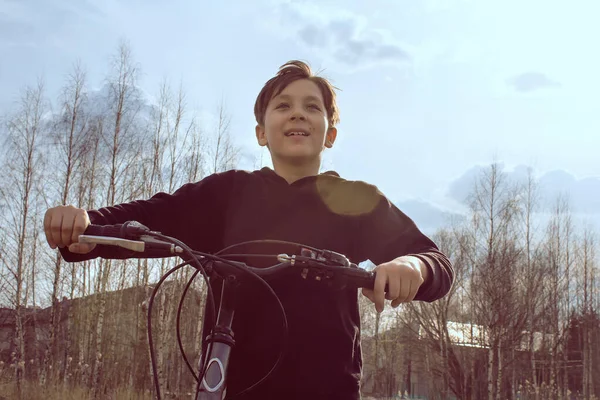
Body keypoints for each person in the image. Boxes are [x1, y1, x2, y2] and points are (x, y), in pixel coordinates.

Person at [44, 60, 454, 399]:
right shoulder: (227, 193)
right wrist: (85, 225)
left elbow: (432, 259)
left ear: (329, 134)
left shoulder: (354, 198)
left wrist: (412, 267)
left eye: (312, 107)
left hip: (327, 388)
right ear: (261, 132)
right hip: (229, 383)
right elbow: (155, 216)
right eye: (283, 106)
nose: (297, 113)